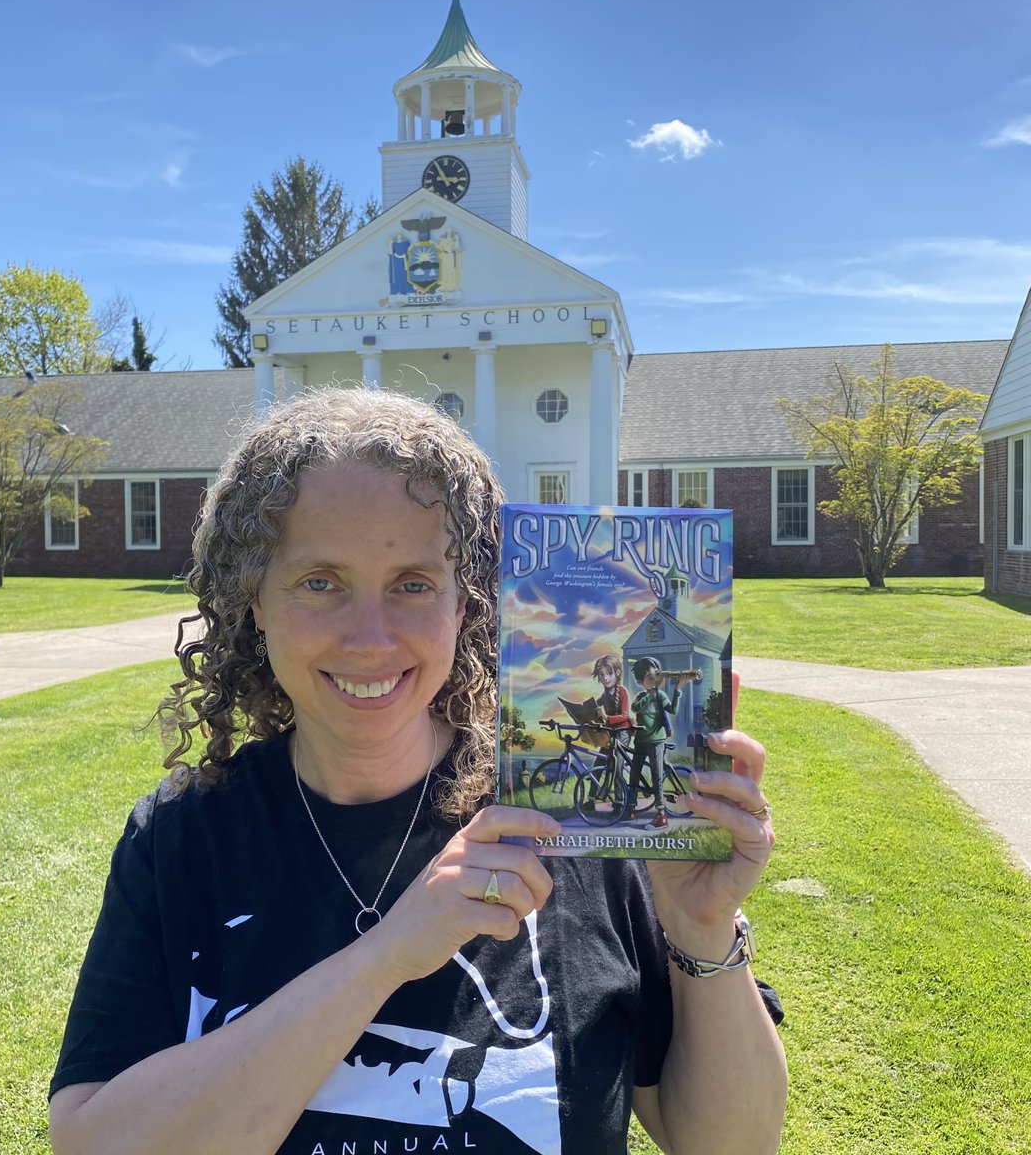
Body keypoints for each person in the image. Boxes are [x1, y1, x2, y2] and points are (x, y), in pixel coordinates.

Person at [49, 387, 786, 1155]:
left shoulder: (575, 820)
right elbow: (92, 1141)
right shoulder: (181, 840)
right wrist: (386, 957)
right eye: (320, 581)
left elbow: (731, 1145)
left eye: (412, 584)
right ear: (257, 601)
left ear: (464, 604)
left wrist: (701, 932)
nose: (369, 639)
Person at [629, 657, 702, 830]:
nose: (655, 678)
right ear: (640, 681)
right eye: (650, 676)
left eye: (656, 674)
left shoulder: (660, 695)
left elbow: (673, 710)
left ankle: (661, 814)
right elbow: (635, 708)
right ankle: (630, 808)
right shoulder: (642, 696)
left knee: (657, 776)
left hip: (656, 741)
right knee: (634, 773)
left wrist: (677, 690)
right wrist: (651, 694)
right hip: (640, 741)